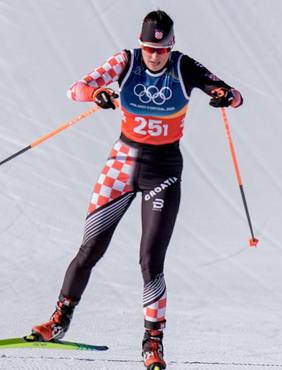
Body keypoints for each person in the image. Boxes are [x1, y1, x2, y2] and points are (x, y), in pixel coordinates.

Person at [30, 9, 243, 370]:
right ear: (141, 43)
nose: (154, 55)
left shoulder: (183, 66)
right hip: (121, 166)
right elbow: (75, 89)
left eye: (160, 49)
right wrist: (97, 92)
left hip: (163, 171)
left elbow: (234, 94)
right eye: (149, 48)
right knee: (90, 249)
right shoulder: (126, 61)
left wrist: (226, 95)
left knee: (150, 262)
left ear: (171, 46)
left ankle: (153, 342)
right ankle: (59, 321)